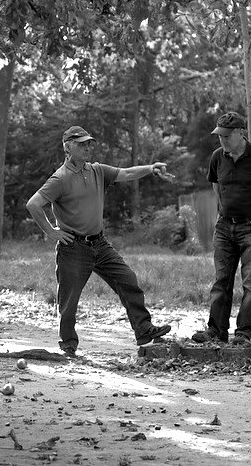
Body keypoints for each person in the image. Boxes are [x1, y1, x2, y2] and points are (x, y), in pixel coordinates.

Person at [26, 125, 173, 357]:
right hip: (73, 247)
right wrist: (52, 232)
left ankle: (144, 331)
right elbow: (33, 204)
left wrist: (150, 168)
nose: (87, 147)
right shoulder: (60, 178)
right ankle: (68, 346)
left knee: (128, 280)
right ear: (67, 147)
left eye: (88, 143)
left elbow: (126, 173)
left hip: (100, 244)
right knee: (69, 300)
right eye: (81, 144)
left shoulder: (96, 170)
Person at [192, 112, 251, 345]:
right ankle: (216, 330)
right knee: (221, 280)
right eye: (219, 135)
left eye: (226, 135)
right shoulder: (217, 157)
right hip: (224, 226)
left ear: (240, 133)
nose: (221, 140)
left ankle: (244, 332)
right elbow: (216, 186)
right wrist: (225, 209)